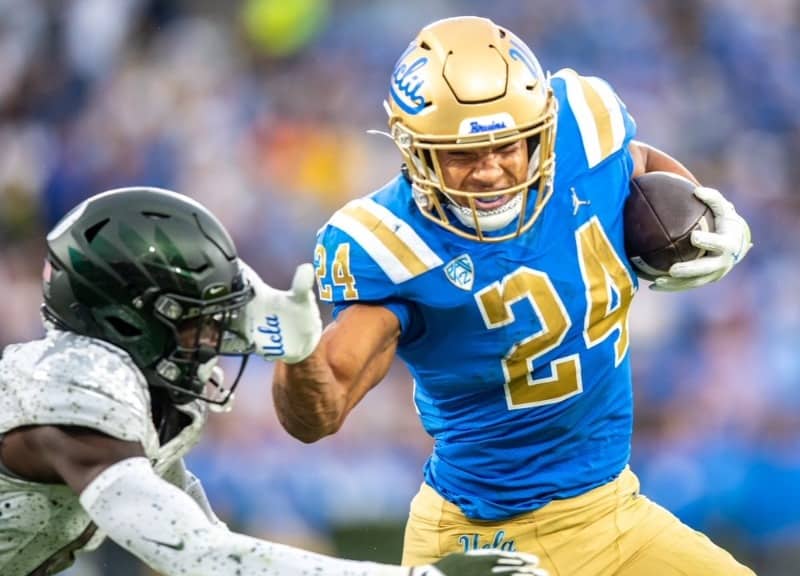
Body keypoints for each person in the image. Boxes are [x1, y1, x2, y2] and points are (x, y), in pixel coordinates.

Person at [270, 16, 755, 576]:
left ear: (542, 132)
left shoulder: (585, 131)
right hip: (483, 542)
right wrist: (296, 354)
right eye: (462, 154)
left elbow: (634, 162)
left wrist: (696, 207)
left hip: (615, 512)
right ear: (415, 152)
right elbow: (319, 411)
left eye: (508, 145)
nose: (491, 170)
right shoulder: (395, 245)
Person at [0, 186, 548, 576]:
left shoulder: (132, 392)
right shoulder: (73, 390)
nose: (212, 341)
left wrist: (291, 341)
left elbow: (217, 547)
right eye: (195, 321)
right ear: (127, 319)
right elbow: (197, 557)